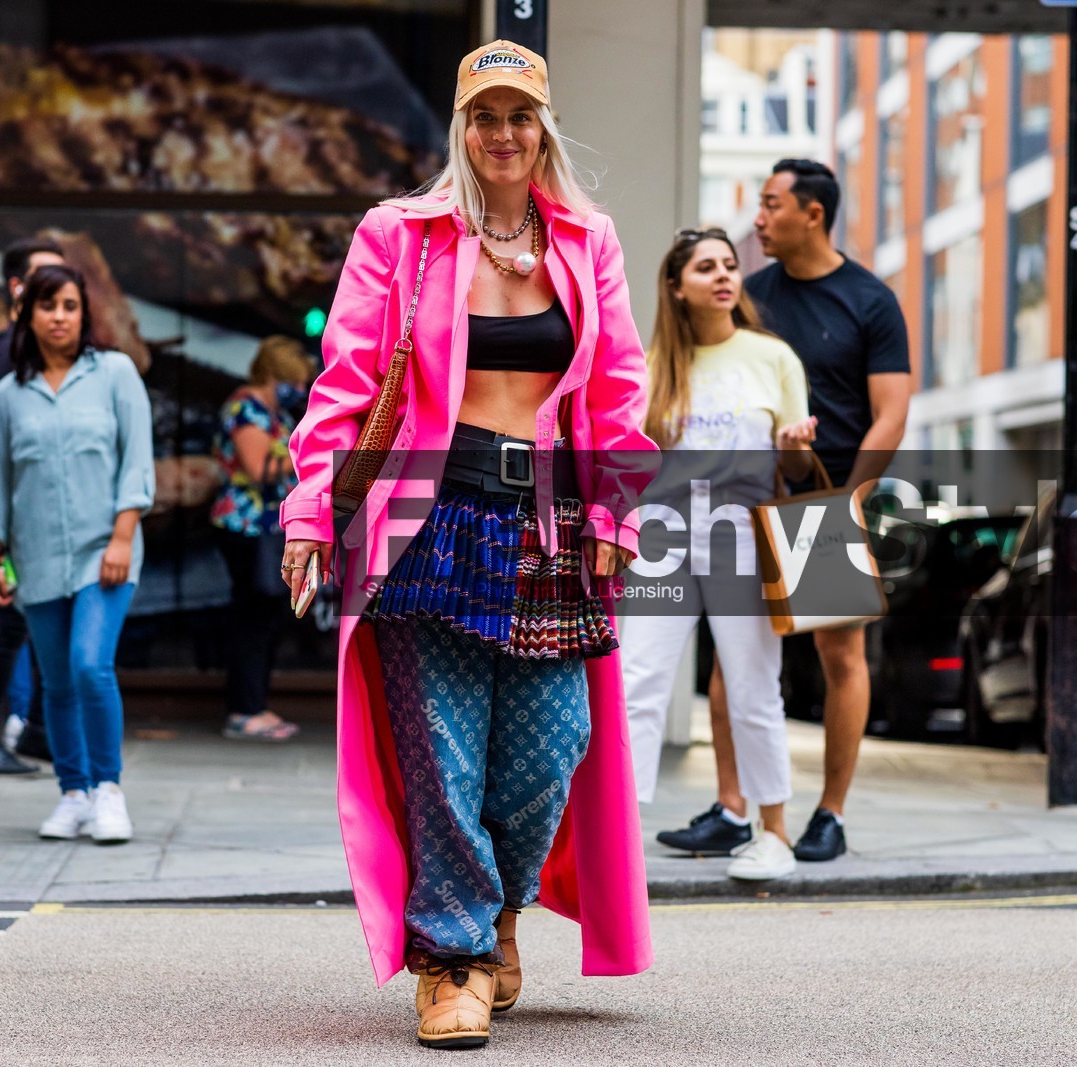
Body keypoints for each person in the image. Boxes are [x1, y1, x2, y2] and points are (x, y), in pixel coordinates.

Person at [278, 40, 655, 1050]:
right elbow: (345, 387)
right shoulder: (397, 236)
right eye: (483, 116)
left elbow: (618, 395)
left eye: (519, 116)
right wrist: (311, 514)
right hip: (427, 521)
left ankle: (497, 913)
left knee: (550, 746)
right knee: (439, 752)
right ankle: (448, 958)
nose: (502, 133)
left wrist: (617, 513)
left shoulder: (587, 239)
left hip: (549, 523)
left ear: (542, 129)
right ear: (460, 126)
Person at [695, 158, 909, 863]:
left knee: (839, 654)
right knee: (734, 662)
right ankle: (731, 806)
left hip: (825, 498)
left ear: (811, 213)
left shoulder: (870, 301)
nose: (759, 218)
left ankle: (831, 812)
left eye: (771, 204)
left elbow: (891, 414)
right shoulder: (749, 295)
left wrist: (851, 500)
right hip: (748, 499)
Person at [620, 227, 817, 881]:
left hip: (741, 537)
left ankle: (775, 833)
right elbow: (628, 465)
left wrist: (793, 442)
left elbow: (794, 467)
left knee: (755, 687)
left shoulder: (773, 358)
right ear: (677, 286)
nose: (724, 275)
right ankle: (617, 838)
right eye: (706, 267)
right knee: (637, 685)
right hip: (661, 540)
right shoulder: (650, 367)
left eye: (730, 265)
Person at [0, 264, 155, 843]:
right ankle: (73, 792)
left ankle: (108, 789)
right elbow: (0, 479)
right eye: (48, 305)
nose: (60, 316)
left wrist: (123, 535)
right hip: (35, 557)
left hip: (104, 551)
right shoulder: (10, 392)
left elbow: (137, 461)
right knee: (54, 682)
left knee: (89, 665)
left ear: (86, 314)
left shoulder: (115, 373)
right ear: (28, 314)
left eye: (71, 306)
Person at [0, 237, 66, 776]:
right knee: (10, 625)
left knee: (37, 621)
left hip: (31, 517)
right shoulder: (10, 352)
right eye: (47, 280)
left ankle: (38, 731)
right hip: (7, 519)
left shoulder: (33, 348)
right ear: (19, 288)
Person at [210, 335, 313, 742]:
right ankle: (243, 710)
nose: (301, 391)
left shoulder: (273, 412)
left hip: (269, 528)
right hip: (245, 527)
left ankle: (255, 704)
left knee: (267, 618)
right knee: (252, 618)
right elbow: (259, 469)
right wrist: (311, 450)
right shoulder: (244, 408)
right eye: (296, 381)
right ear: (275, 374)